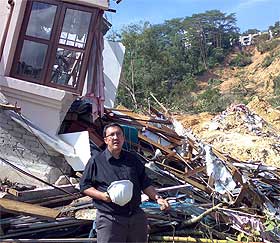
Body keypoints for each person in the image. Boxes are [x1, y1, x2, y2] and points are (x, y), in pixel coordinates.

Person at [79, 123, 170, 243]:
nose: (116, 137)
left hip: (135, 216)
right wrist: (102, 196)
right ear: (106, 140)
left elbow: (145, 183)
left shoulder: (132, 159)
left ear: (123, 138)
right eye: (112, 135)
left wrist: (158, 198)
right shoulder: (96, 161)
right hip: (110, 218)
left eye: (119, 134)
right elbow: (84, 186)